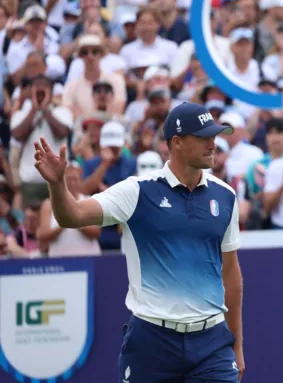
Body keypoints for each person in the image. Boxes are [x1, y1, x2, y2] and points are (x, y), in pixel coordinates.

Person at [32, 102, 245, 381]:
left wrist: (237, 345)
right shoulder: (137, 191)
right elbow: (72, 215)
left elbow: (230, 273)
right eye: (204, 137)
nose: (213, 144)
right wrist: (57, 185)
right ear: (177, 142)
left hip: (212, 343)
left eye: (214, 137)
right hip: (152, 341)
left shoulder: (226, 195)